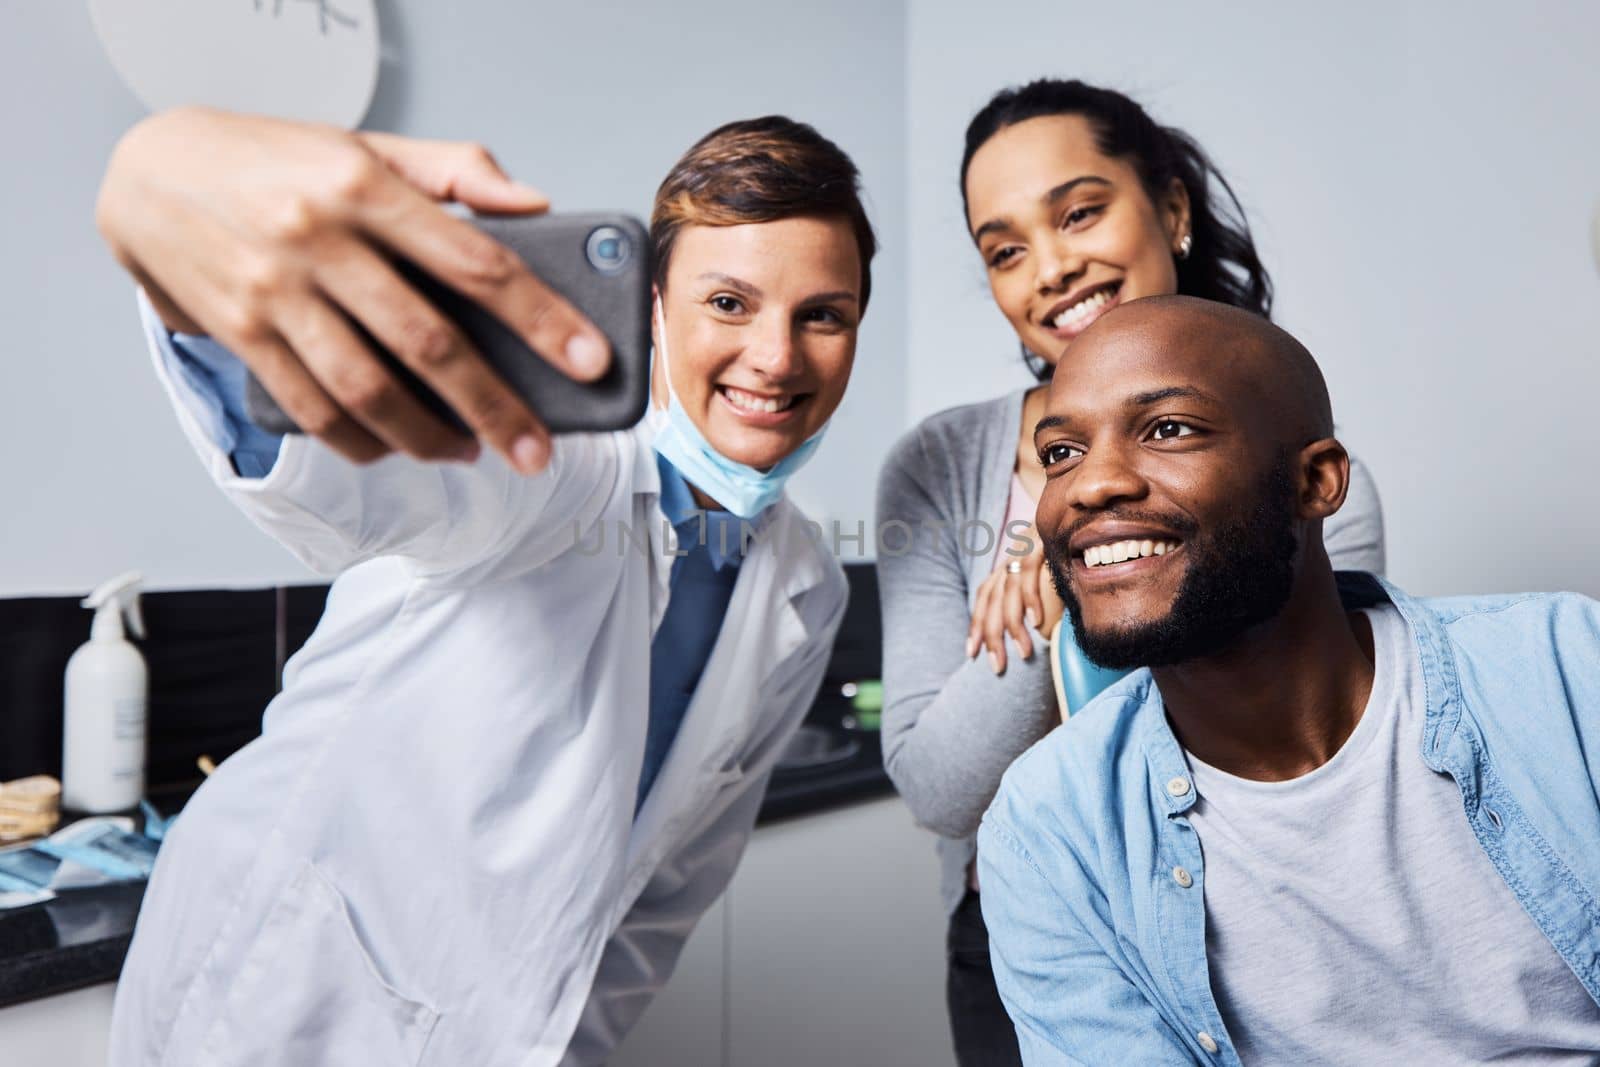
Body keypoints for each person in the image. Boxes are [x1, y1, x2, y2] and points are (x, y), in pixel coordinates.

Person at [95, 107, 875, 1066]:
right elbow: (371, 480)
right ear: (656, 308)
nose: (777, 356)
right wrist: (193, 273)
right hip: (282, 998)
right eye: (729, 303)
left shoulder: (806, 582)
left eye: (822, 315)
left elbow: (664, 893)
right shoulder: (554, 466)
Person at [874, 79, 1385, 1065]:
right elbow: (941, 791)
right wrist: (1091, 549)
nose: (1052, 267)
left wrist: (1074, 549)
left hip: (1264, 913)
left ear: (1173, 210)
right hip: (1013, 938)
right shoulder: (938, 468)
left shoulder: (1300, 466)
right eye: (1004, 248)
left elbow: (1310, 752)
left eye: (1078, 211)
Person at [978, 295, 1600, 1065]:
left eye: (1168, 428)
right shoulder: (1049, 832)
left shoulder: (1568, 664)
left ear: (1317, 482)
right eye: (1061, 452)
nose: (1090, 485)